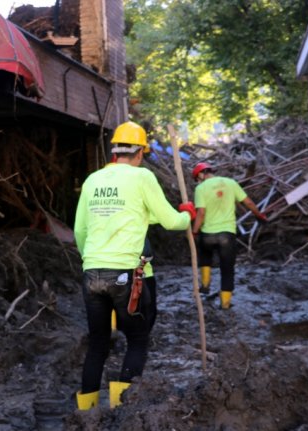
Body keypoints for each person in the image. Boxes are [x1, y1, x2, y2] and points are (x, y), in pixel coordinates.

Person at [73, 121, 195, 410]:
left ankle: (86, 413)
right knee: (138, 339)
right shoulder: (142, 177)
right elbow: (171, 221)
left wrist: (91, 260)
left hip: (91, 274)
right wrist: (187, 214)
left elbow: (80, 230)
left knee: (98, 344)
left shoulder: (92, 180)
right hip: (125, 274)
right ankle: (119, 409)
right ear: (140, 152)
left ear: (115, 151)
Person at [191, 162, 267, 309]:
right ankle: (225, 304)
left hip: (207, 235)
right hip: (226, 235)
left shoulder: (200, 188)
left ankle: (205, 286)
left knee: (205, 257)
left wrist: (195, 231)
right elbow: (249, 203)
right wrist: (260, 216)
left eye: (197, 178)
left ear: (200, 175)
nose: (198, 181)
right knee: (227, 270)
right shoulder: (231, 183)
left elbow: (201, 213)